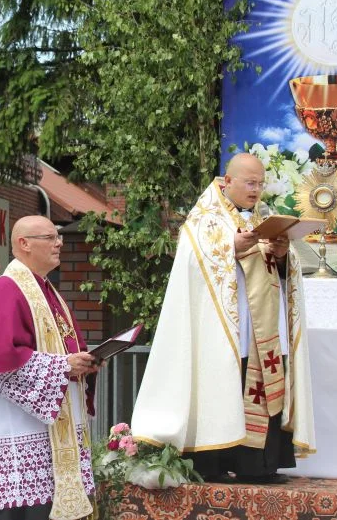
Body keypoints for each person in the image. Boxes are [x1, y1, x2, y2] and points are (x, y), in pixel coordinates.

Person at [130, 153, 315, 483]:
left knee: (259, 388)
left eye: (260, 183)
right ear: (226, 181)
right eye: (249, 182)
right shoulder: (203, 222)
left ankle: (257, 466)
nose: (256, 190)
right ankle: (213, 464)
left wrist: (283, 254)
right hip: (224, 331)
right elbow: (195, 264)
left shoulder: (263, 218)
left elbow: (284, 274)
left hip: (263, 331)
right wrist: (232, 246)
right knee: (223, 385)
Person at [0, 215, 99, 520]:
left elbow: (64, 349)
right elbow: (3, 364)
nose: (59, 243)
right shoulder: (6, 292)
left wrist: (81, 363)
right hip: (16, 431)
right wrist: (64, 366)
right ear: (24, 244)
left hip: (45, 432)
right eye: (50, 237)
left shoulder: (46, 290)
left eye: (57, 237)